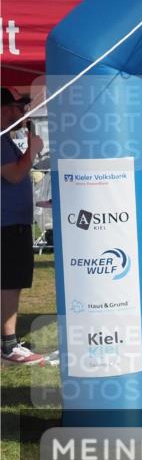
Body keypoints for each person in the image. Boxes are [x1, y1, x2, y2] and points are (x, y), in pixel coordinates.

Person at [1, 89, 46, 364]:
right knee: (8, 284)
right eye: (19, 108)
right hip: (7, 223)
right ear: (4, 108)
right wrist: (33, 149)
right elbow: (16, 174)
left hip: (13, 222)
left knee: (12, 283)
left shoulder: (6, 138)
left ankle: (8, 344)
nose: (23, 113)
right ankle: (8, 346)